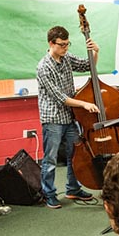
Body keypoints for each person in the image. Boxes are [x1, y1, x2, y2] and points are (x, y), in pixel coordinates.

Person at [36, 26, 99, 209]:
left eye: (67, 44)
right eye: (62, 45)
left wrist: (95, 52)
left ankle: (73, 189)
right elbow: (60, 98)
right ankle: (49, 194)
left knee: (75, 155)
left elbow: (89, 66)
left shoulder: (66, 57)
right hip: (53, 118)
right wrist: (84, 104)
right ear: (51, 43)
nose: (65, 48)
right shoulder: (43, 67)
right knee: (50, 159)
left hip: (69, 117)